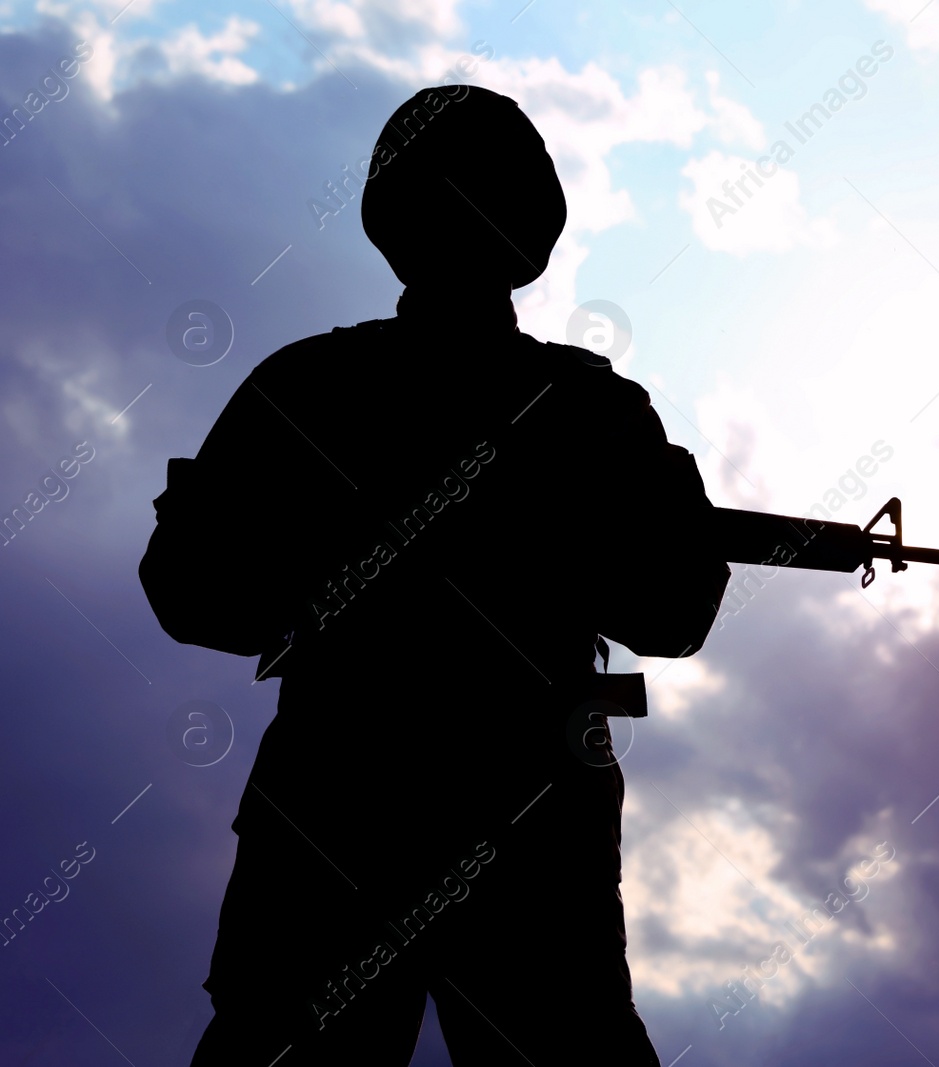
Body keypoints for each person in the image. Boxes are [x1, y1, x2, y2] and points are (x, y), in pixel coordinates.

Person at [140, 85, 730, 1066]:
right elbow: (192, 583)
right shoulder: (584, 407)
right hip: (459, 817)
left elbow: (676, 605)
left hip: (402, 817)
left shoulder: (313, 384)